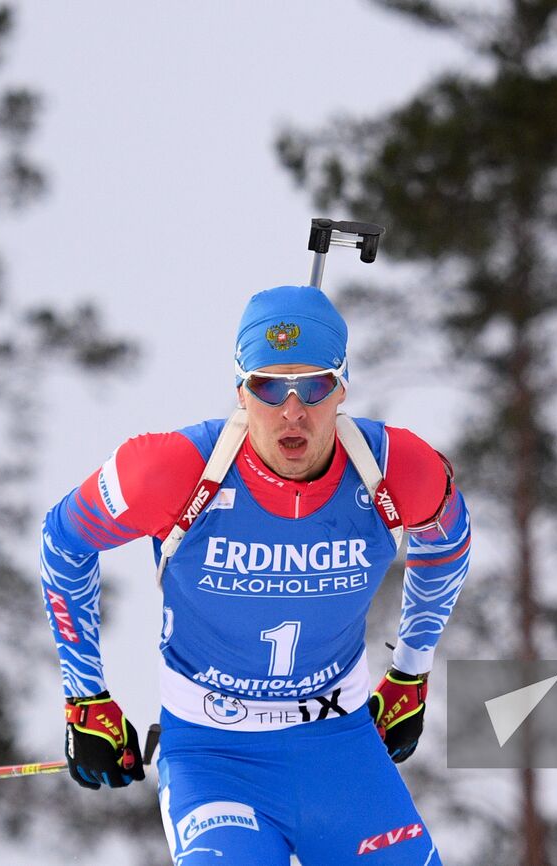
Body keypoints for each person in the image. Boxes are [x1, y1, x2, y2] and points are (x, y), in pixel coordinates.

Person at [39, 285, 471, 864]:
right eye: (269, 386)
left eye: (314, 384)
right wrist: (85, 696)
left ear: (343, 386)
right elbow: (63, 541)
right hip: (212, 755)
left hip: (339, 747)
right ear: (240, 390)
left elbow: (448, 544)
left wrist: (411, 671)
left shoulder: (397, 470)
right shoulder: (170, 472)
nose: (292, 410)